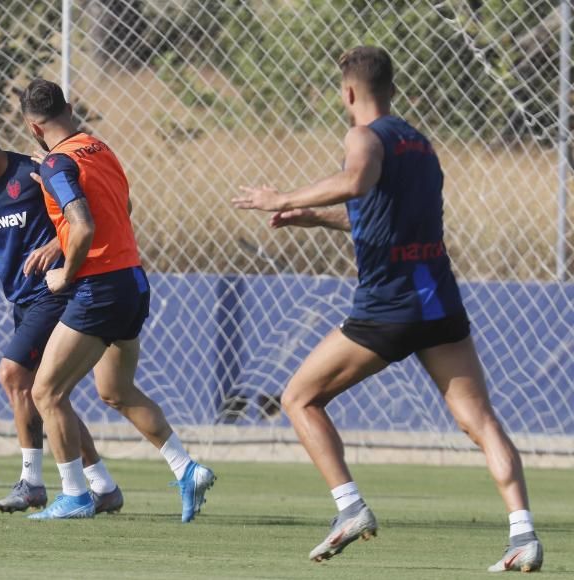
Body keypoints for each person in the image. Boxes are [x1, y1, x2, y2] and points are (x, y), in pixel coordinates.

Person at [231, 46, 543, 572]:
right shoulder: (419, 144)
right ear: (392, 88)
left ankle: (349, 508)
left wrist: (279, 198)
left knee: (299, 398)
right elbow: (377, 216)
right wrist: (318, 218)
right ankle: (524, 534)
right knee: (480, 421)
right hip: (439, 303)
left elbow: (355, 180)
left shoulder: (362, 137)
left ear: (349, 91)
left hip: (387, 308)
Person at [19, 79, 215, 522]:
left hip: (98, 287)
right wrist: (55, 182)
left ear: (33, 127)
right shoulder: (100, 149)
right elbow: (121, 210)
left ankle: (74, 494)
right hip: (132, 281)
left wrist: (64, 273)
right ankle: (187, 469)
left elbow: (84, 225)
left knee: (45, 391)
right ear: (69, 108)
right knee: (115, 390)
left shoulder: (56, 164)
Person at [0, 103, 123, 514]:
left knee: (13, 374)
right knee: (49, 396)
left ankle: (32, 481)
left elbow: (90, 216)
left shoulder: (32, 174)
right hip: (22, 299)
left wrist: (56, 244)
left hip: (55, 293)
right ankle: (102, 485)